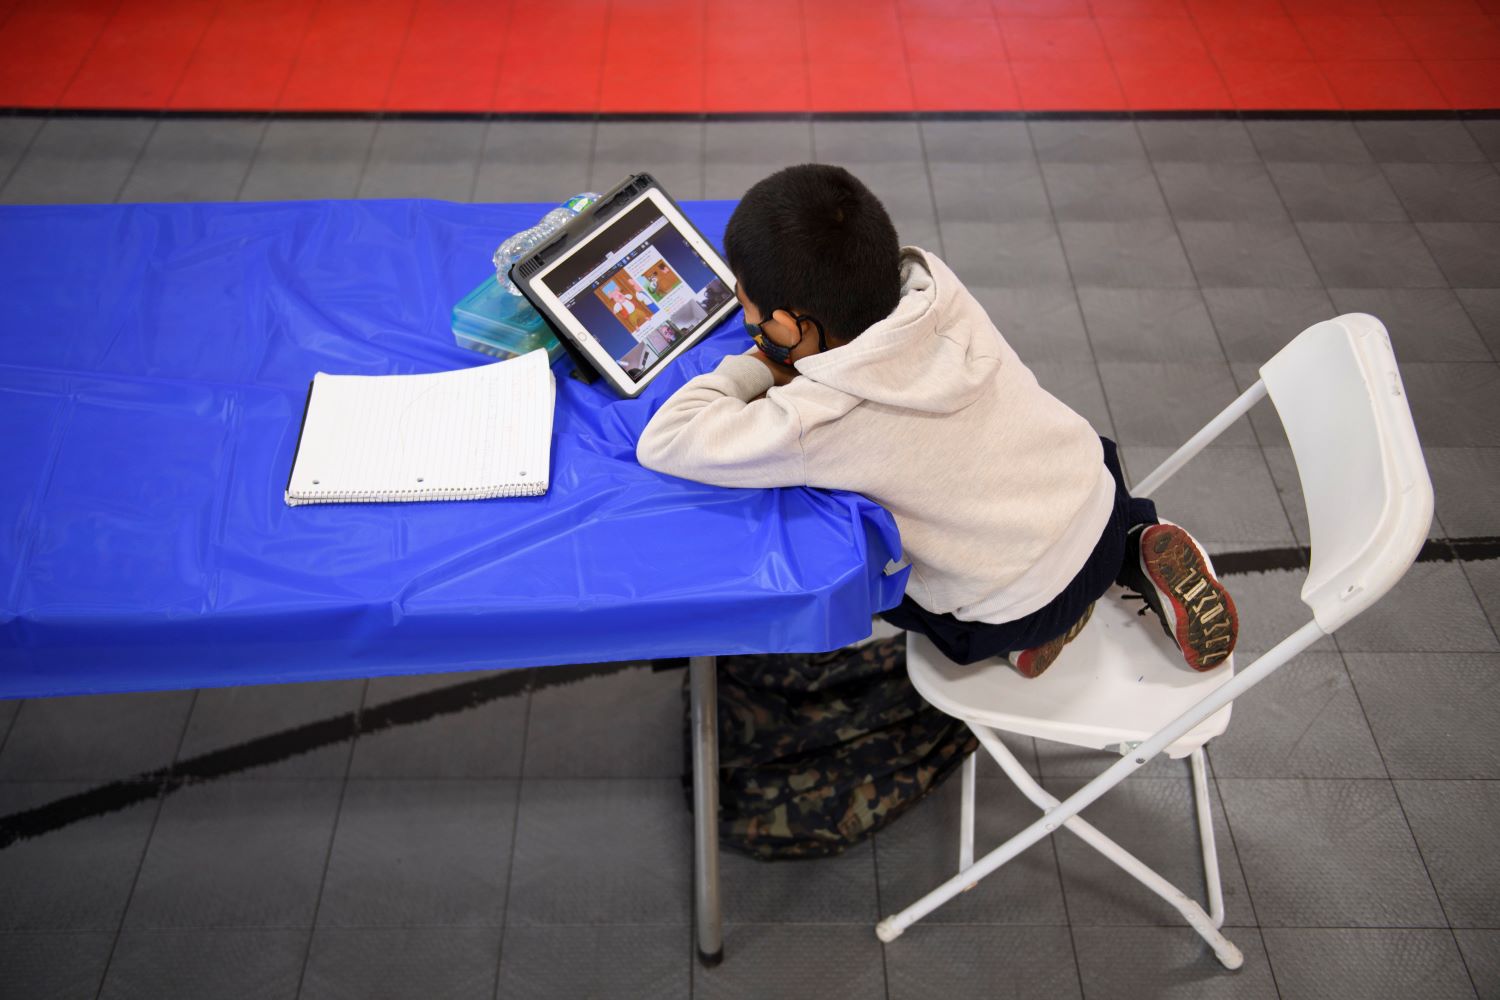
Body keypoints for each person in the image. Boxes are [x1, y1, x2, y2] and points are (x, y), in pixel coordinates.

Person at [635, 164, 1238, 857]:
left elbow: (669, 440)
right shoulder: (935, 291)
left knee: (898, 597)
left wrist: (759, 368)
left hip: (1016, 601)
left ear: (799, 326)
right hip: (1095, 492)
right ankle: (1137, 542)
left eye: (752, 308)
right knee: (1074, 458)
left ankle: (1033, 637)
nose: (745, 318)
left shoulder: (819, 415)